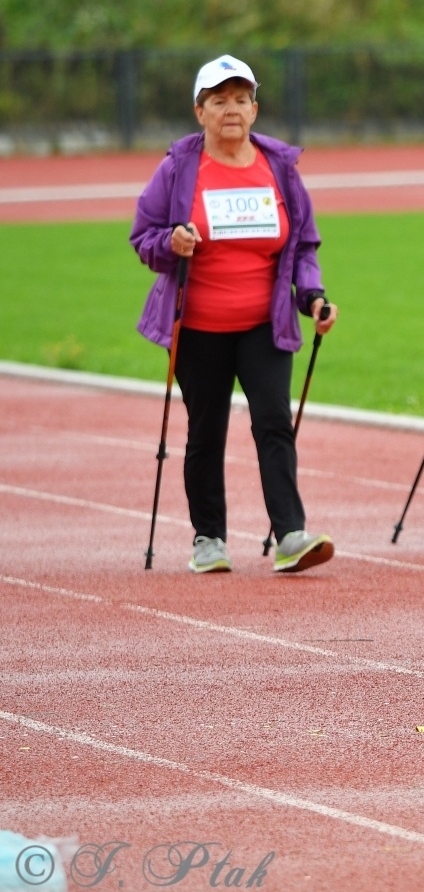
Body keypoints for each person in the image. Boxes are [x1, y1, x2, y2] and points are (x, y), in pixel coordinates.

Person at [130, 55, 338, 575]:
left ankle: (291, 534)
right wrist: (172, 242)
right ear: (199, 111)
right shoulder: (179, 168)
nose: (231, 109)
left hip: (265, 322)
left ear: (255, 108)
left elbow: (304, 246)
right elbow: (143, 237)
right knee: (206, 430)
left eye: (241, 99)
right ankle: (209, 539)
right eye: (219, 100)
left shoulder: (280, 168)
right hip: (198, 325)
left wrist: (313, 297)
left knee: (273, 422)